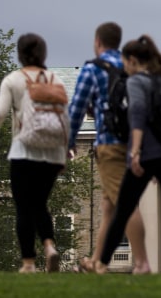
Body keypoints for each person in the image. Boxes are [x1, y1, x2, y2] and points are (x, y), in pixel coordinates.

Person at [92, 35, 161, 274]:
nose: (123, 67)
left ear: (132, 60)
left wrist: (134, 151)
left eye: (124, 62)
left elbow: (138, 115)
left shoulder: (135, 82)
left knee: (122, 209)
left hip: (146, 156)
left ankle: (102, 263)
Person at [67, 22, 150, 274]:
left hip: (110, 144)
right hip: (135, 143)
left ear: (97, 41)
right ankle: (97, 261)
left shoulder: (93, 69)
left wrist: (68, 143)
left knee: (126, 204)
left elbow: (76, 110)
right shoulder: (133, 67)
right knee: (108, 206)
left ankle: (142, 262)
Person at [0, 33, 65, 273]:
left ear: (20, 54)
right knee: (40, 203)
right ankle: (49, 246)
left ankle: (28, 263)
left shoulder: (13, 80)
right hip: (52, 153)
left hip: (24, 150)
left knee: (23, 207)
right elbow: (65, 119)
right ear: (44, 54)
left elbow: (0, 113)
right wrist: (63, 154)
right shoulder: (55, 80)